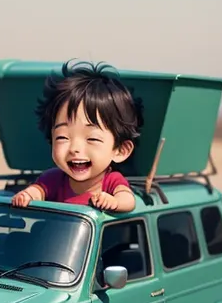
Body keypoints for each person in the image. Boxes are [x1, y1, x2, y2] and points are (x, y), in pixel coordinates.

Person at [11, 60, 143, 212]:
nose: (75, 148)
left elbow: (128, 201)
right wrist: (27, 195)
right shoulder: (53, 179)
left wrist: (113, 201)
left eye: (92, 139)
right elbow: (37, 191)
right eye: (62, 137)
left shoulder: (111, 182)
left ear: (120, 150)